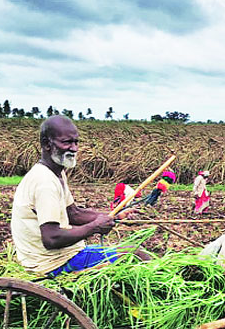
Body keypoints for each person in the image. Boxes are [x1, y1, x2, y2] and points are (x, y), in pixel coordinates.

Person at [11, 115, 133, 277]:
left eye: (76, 142)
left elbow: (73, 214)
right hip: (52, 264)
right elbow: (51, 239)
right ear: (47, 144)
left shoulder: (57, 172)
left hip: (64, 255)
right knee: (135, 255)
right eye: (67, 142)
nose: (74, 148)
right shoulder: (45, 182)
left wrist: (113, 216)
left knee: (132, 251)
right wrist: (95, 226)